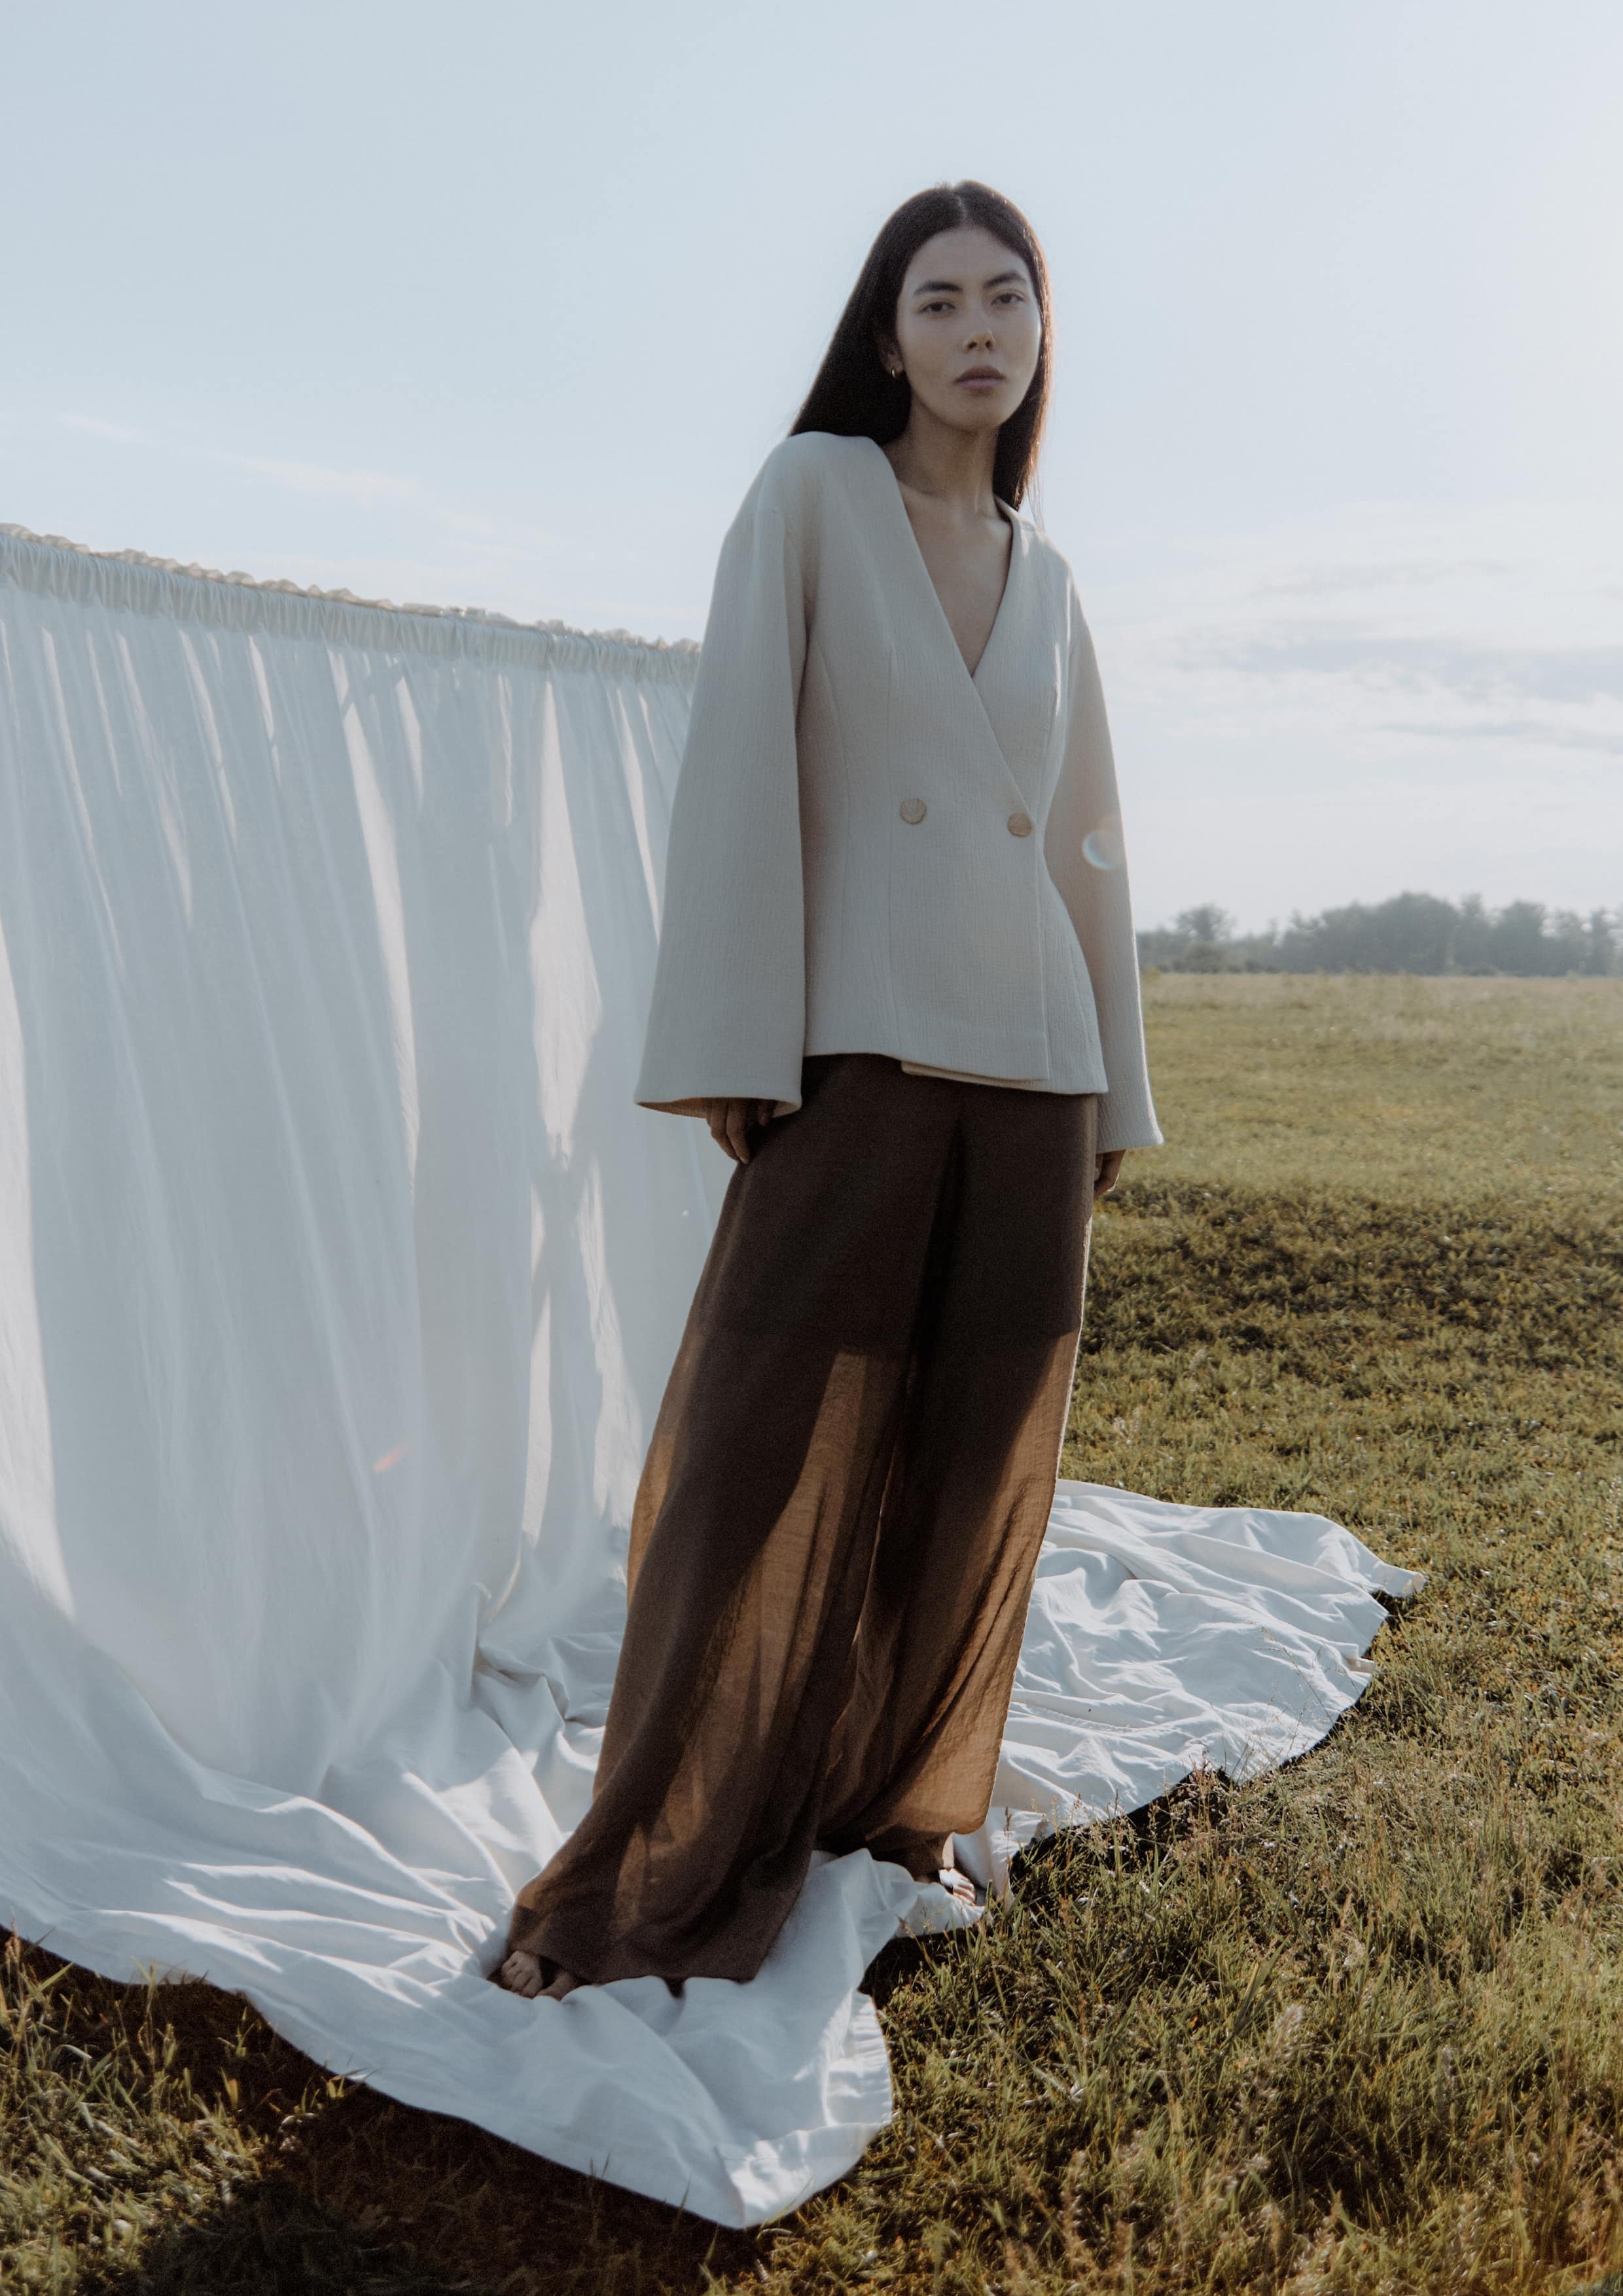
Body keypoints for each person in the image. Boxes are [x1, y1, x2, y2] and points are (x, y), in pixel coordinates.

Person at [499, 180, 1160, 2003]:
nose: (976, 328)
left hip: (1034, 1068)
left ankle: (898, 1805)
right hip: (857, 1047)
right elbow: (737, 765)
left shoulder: (1054, 578)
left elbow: (1091, 847)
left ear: (1041, 331)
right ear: (887, 335)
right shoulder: (810, 495)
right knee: (751, 1455)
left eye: (1006, 296)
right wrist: (736, 1041)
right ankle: (654, 1852)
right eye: (938, 299)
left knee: (976, 1456)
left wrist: (1113, 1093)